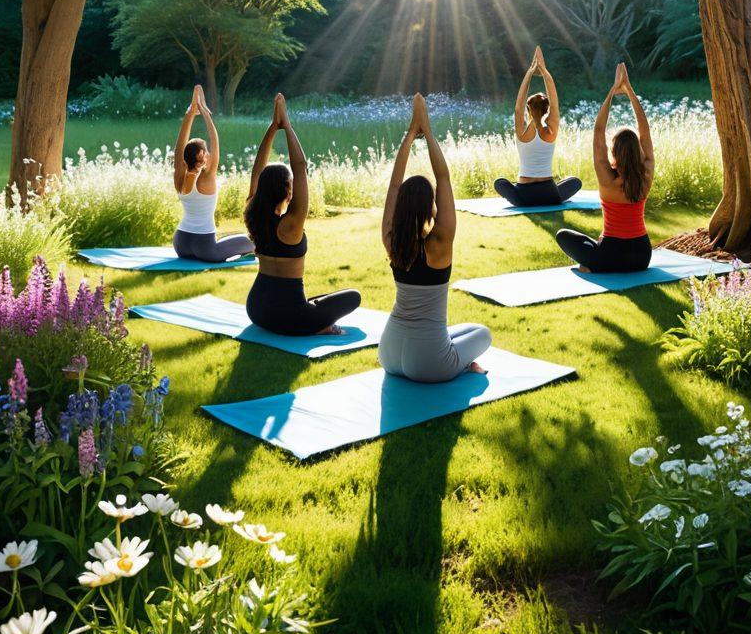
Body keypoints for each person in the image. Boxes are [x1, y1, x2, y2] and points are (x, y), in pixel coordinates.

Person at [379, 93, 491, 382]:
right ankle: (464, 365)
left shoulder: (392, 242)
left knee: (460, 330)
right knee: (482, 333)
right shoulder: (440, 242)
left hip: (389, 353)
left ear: (402, 206)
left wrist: (409, 134)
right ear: (432, 206)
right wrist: (427, 132)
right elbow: (443, 177)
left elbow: (394, 184)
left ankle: (455, 357)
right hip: (429, 363)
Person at [244, 94, 360, 336]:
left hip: (256, 309)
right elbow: (300, 167)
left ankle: (313, 316)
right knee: (352, 297)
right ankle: (319, 327)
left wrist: (273, 127)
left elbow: (258, 166)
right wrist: (286, 126)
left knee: (320, 299)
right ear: (288, 190)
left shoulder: (254, 217)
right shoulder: (291, 225)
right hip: (290, 318)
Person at [556, 63, 654, 273]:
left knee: (563, 235)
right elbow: (645, 133)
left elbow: (598, 131)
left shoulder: (607, 180)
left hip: (612, 255)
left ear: (614, 153)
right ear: (638, 151)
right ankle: (597, 262)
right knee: (592, 243)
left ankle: (595, 265)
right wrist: (629, 91)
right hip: (642, 257)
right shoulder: (645, 175)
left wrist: (612, 92)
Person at [172, 85, 254, 263]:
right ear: (201, 159)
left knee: (230, 239)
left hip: (181, 244)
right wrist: (204, 112)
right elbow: (215, 139)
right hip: (206, 248)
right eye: (205, 152)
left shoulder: (179, 175)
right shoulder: (207, 177)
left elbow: (179, 146)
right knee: (252, 241)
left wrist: (191, 114)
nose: (209, 153)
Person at [494, 45, 582, 208]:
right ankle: (550, 199)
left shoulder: (522, 133)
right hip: (548, 193)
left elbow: (518, 107)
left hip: (524, 195)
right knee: (575, 182)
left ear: (528, 109)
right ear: (547, 109)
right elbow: (555, 103)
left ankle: (522, 199)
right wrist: (544, 72)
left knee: (499, 183)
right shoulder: (551, 131)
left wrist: (529, 72)